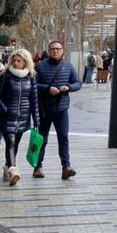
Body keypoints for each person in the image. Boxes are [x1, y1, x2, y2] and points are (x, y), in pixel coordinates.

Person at [34, 41, 81, 179]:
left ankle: (66, 167)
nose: (55, 51)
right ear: (48, 51)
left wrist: (69, 87)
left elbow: (78, 82)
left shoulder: (68, 66)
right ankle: (37, 167)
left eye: (58, 49)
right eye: (52, 49)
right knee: (41, 139)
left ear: (62, 51)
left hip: (62, 109)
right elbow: (32, 85)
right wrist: (48, 89)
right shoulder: (40, 66)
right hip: (44, 110)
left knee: (63, 137)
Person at [0, 49, 40, 187]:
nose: (15, 63)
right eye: (13, 60)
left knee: (15, 145)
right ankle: (14, 171)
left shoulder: (31, 77)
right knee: (11, 143)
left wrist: (36, 120)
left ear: (25, 62)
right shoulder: (5, 76)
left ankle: (7, 167)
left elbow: (34, 99)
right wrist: (5, 109)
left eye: (18, 61)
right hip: (7, 117)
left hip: (23, 118)